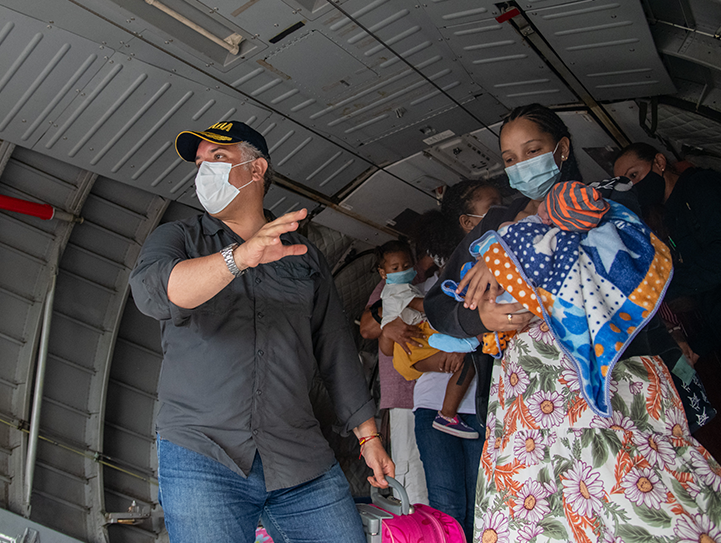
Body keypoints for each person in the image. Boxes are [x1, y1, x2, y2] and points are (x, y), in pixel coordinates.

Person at [425, 103, 721, 542]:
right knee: (541, 517)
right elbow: (438, 305)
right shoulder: (495, 221)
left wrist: (507, 251)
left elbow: (601, 248)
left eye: (533, 150)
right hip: (527, 398)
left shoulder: (608, 195)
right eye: (509, 159)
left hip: (615, 382)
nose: (521, 165)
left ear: (561, 149)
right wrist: (479, 316)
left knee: (635, 503)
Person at [129, 120, 394, 543]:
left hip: (299, 458)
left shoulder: (304, 257)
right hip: (203, 455)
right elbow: (154, 294)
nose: (204, 173)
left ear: (256, 170)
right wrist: (239, 257)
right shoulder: (177, 237)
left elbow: (335, 350)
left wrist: (369, 438)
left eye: (217, 159)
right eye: (199, 164)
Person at [614, 143, 721, 359]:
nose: (634, 186)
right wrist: (698, 347)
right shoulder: (668, 218)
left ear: (660, 163)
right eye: (627, 183)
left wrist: (663, 289)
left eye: (634, 174)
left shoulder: (701, 186)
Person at [375, 239, 478, 439]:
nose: (402, 270)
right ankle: (447, 415)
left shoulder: (404, 287)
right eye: (395, 268)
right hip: (416, 345)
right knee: (467, 362)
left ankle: (448, 414)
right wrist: (454, 298)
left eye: (406, 266)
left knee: (465, 359)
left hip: (414, 348)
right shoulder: (396, 290)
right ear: (383, 273)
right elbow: (424, 307)